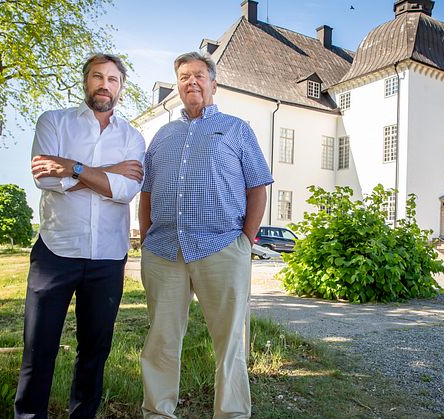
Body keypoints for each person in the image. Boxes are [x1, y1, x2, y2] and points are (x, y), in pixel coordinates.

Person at [138, 51, 273, 418]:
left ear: (213, 84)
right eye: (184, 77)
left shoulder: (236, 128)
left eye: (199, 75)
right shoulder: (162, 136)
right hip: (165, 250)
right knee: (161, 340)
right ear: (178, 86)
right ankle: (157, 413)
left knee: (230, 343)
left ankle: (230, 414)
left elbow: (258, 187)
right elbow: (147, 190)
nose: (191, 82)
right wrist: (146, 236)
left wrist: (245, 240)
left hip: (221, 247)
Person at [15, 53, 146, 418]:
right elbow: (45, 178)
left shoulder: (132, 138)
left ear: (121, 86)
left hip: (107, 255)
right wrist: (103, 173)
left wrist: (71, 167)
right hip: (56, 250)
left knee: (94, 350)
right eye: (97, 77)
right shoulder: (54, 122)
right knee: (39, 347)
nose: (104, 84)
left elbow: (124, 190)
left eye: (112, 79)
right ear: (85, 81)